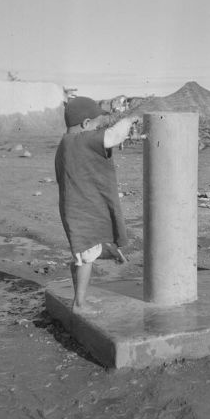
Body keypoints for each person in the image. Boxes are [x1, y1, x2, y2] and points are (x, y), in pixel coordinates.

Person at [55, 96, 139, 314]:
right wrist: (130, 119)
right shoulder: (81, 140)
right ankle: (79, 304)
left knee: (81, 254)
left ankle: (104, 252)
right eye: (95, 125)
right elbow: (114, 135)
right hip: (82, 210)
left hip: (74, 208)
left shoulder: (65, 143)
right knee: (84, 257)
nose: (96, 130)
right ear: (84, 124)